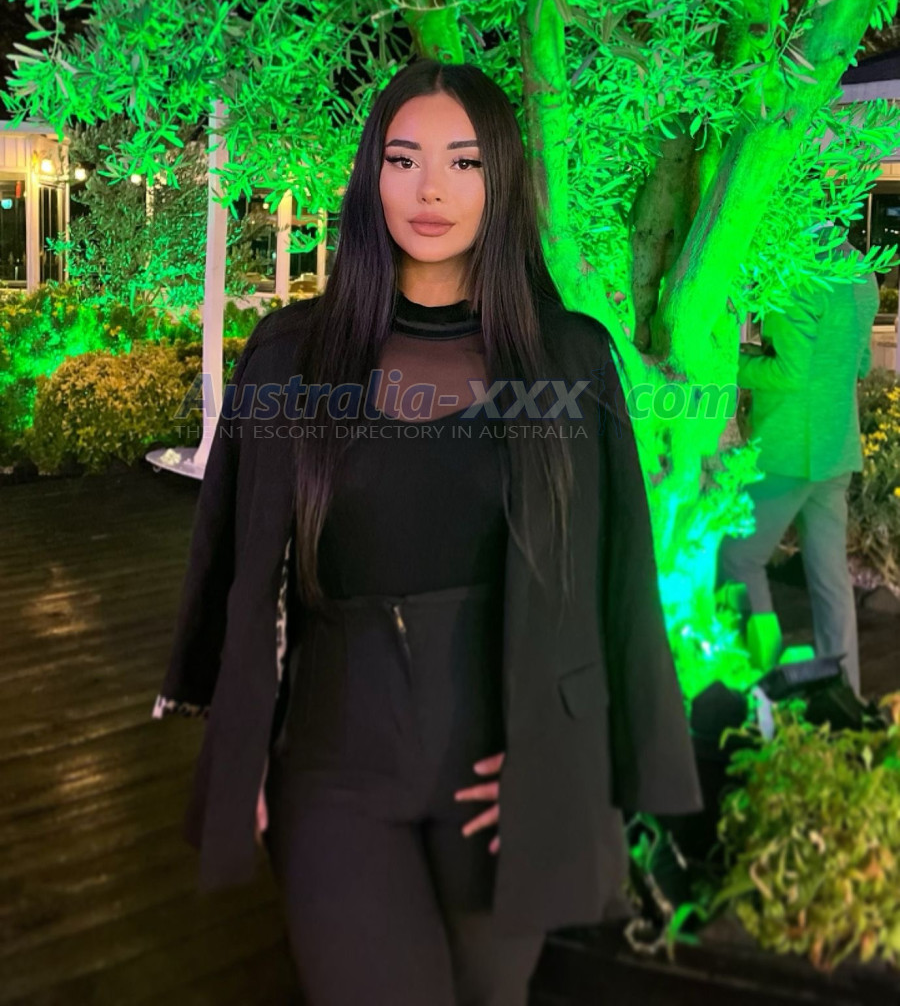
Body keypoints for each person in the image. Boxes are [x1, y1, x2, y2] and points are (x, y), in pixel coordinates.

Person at [152, 59, 702, 1006]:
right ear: (372, 177)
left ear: (502, 179)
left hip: (505, 771)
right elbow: (233, 559)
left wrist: (573, 764)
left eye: (464, 162)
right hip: (334, 767)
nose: (431, 189)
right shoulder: (290, 356)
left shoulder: (569, 360)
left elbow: (620, 579)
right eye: (403, 159)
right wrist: (239, 744)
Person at [718, 227, 879, 695]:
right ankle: (845, 691)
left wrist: (730, 362)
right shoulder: (860, 268)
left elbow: (787, 372)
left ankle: (762, 681)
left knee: (737, 559)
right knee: (831, 582)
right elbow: (862, 364)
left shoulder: (797, 268)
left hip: (788, 451)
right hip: (836, 448)